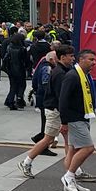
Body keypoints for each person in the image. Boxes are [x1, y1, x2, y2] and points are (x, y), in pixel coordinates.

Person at [18, 46, 75, 178]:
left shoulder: (64, 70)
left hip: (57, 110)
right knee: (48, 139)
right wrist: (65, 118)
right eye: (70, 56)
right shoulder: (59, 73)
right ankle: (26, 162)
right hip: (55, 110)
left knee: (69, 140)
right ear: (62, 57)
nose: (73, 58)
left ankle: (72, 170)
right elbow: (61, 96)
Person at [59, 49, 96, 191]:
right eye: (90, 59)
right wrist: (64, 122)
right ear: (80, 60)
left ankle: (71, 180)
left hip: (83, 116)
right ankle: (69, 176)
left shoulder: (84, 75)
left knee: (73, 149)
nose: (94, 62)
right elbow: (63, 100)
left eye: (94, 60)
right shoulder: (72, 76)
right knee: (88, 148)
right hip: (74, 118)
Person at [1, 32, 28, 110]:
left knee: (13, 85)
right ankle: (19, 99)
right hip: (20, 69)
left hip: (11, 69)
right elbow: (26, 60)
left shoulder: (9, 47)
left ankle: (10, 101)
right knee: (22, 85)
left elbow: (5, 57)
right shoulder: (22, 49)